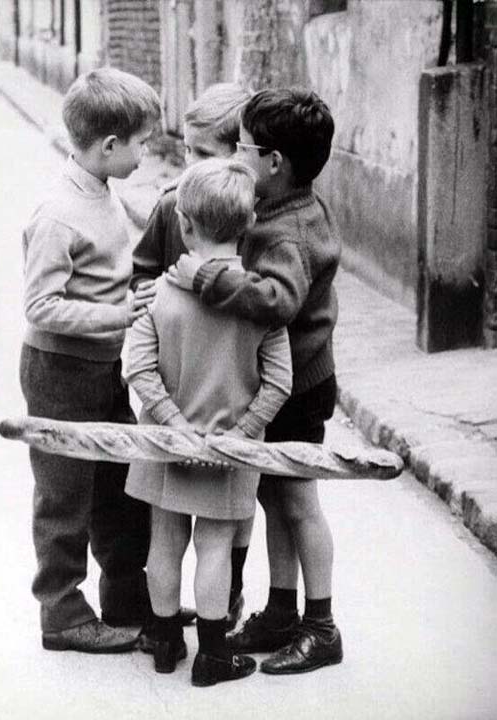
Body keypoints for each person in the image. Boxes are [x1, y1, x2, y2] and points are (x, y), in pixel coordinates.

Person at [168, 88, 343, 675]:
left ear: (274, 163)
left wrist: (207, 280)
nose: (235, 156)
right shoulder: (281, 207)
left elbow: (278, 301)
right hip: (287, 381)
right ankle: (282, 612)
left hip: (298, 388)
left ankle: (321, 626)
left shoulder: (287, 232)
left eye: (241, 149)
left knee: (298, 502)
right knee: (274, 498)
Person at [125, 158, 292, 686]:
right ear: (247, 226)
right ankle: (214, 654)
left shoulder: (161, 296)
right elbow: (279, 382)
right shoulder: (258, 302)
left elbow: (140, 368)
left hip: (164, 443)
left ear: (184, 225)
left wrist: (176, 427)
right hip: (229, 451)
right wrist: (238, 437)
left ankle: (164, 639)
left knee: (165, 540)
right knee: (216, 545)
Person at [19, 67, 162, 653]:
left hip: (102, 369)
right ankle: (62, 613)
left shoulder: (102, 192)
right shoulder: (58, 214)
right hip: (59, 373)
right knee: (64, 495)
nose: (147, 153)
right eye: (142, 143)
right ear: (109, 146)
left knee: (119, 484)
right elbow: (41, 306)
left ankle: (125, 596)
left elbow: (107, 279)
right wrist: (119, 315)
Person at [131, 82, 253, 637]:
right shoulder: (170, 207)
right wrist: (150, 300)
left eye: (202, 155)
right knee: (198, 534)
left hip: (207, 403)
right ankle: (204, 636)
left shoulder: (251, 216)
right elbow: (142, 273)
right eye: (186, 152)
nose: (189, 169)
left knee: (220, 531)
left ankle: (224, 602)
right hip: (191, 402)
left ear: (238, 154)